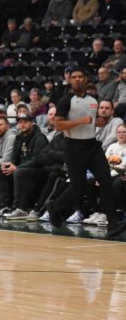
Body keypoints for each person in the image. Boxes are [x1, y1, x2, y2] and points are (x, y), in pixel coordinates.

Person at [47, 67, 126, 238]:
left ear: (85, 79)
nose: (76, 79)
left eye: (79, 77)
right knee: (78, 187)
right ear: (70, 81)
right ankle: (54, 206)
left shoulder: (93, 99)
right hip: (74, 147)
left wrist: (96, 123)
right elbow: (58, 125)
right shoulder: (65, 101)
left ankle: (112, 223)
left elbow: (91, 122)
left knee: (106, 181)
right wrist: (80, 121)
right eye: (73, 77)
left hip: (92, 146)